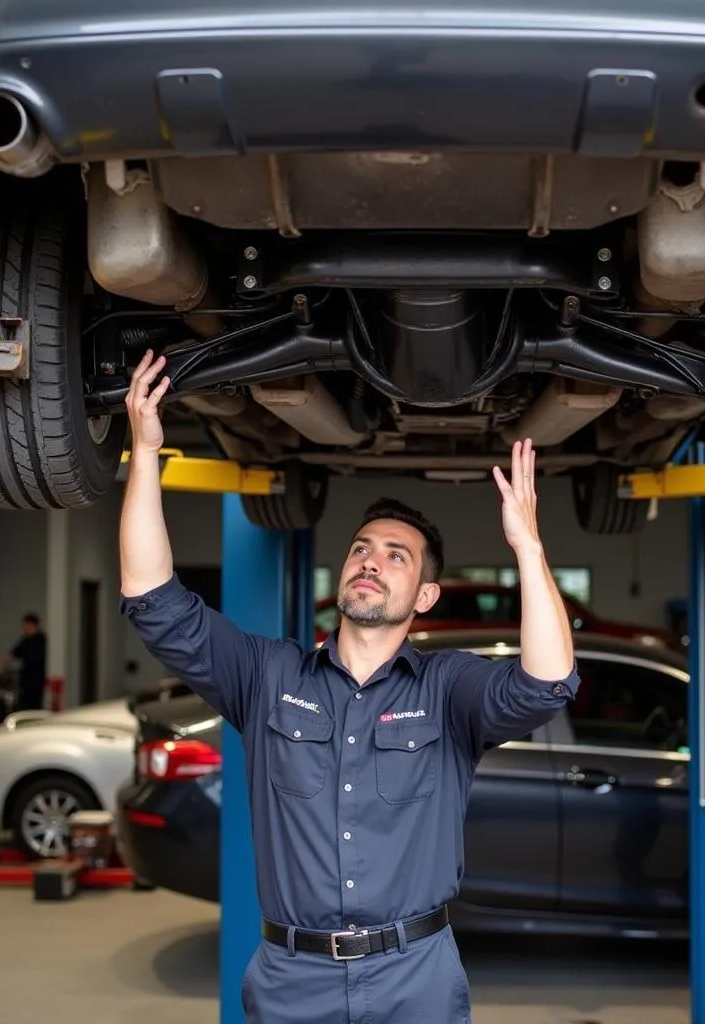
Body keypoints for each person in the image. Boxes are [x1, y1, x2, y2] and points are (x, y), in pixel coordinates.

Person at [118, 350, 579, 1024]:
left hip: (415, 978)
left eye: (397, 556)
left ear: (424, 595)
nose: (372, 560)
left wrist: (529, 549)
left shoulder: (447, 692)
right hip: (289, 979)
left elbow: (547, 684)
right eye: (363, 548)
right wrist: (146, 453)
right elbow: (152, 600)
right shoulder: (266, 677)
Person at [0, 613, 47, 711]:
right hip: (25, 680)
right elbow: (13, 654)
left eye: (27, 626)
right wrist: (0, 665)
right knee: (23, 705)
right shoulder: (25, 640)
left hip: (37, 680)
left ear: (34, 626)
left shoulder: (41, 640)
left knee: (34, 706)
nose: (25, 629)